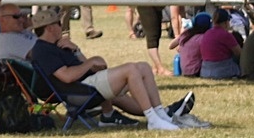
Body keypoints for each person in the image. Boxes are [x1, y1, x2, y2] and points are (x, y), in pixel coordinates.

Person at [28, 8, 203, 130]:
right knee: (130, 70)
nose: (62, 26)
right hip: (79, 92)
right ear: (50, 28)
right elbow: (66, 77)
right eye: (59, 23)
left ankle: (160, 114)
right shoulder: (43, 50)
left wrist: (77, 51)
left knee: (142, 66)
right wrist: (88, 64)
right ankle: (153, 119)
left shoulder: (59, 45)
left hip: (87, 85)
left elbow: (100, 65)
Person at [199, 8, 241, 79]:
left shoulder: (207, 33)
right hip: (222, 71)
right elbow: (239, 53)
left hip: (205, 71)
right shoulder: (226, 35)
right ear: (226, 22)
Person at [169, 12, 211, 77]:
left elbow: (171, 46)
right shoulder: (204, 38)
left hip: (185, 70)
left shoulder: (186, 34)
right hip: (197, 71)